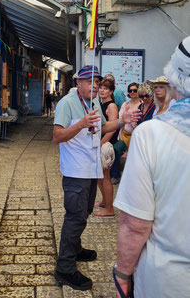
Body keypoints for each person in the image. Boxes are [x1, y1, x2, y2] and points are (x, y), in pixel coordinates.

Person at [113, 36, 190, 298]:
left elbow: (135, 224)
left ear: (173, 83)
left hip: (169, 279)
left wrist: (122, 275)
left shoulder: (152, 135)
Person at [53, 65, 140, 291]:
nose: (94, 86)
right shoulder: (67, 103)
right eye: (89, 81)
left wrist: (122, 120)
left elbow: (103, 127)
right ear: (78, 83)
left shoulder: (91, 103)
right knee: (75, 217)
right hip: (75, 171)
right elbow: (57, 136)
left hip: (91, 169)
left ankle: (76, 247)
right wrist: (81, 124)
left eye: (97, 83)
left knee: (85, 212)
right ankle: (65, 267)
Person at [93, 78, 119, 217]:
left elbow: (112, 128)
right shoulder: (99, 103)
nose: (102, 90)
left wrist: (101, 143)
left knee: (106, 177)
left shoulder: (111, 106)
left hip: (107, 144)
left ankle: (109, 209)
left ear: (111, 91)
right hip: (100, 143)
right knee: (99, 177)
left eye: (105, 88)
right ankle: (104, 201)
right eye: (101, 88)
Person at [110, 82, 140, 185]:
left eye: (135, 90)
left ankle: (132, 181)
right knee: (118, 153)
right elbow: (120, 119)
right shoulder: (125, 104)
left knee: (133, 158)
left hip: (134, 135)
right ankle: (117, 176)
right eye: (130, 90)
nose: (132, 92)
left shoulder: (141, 104)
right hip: (124, 133)